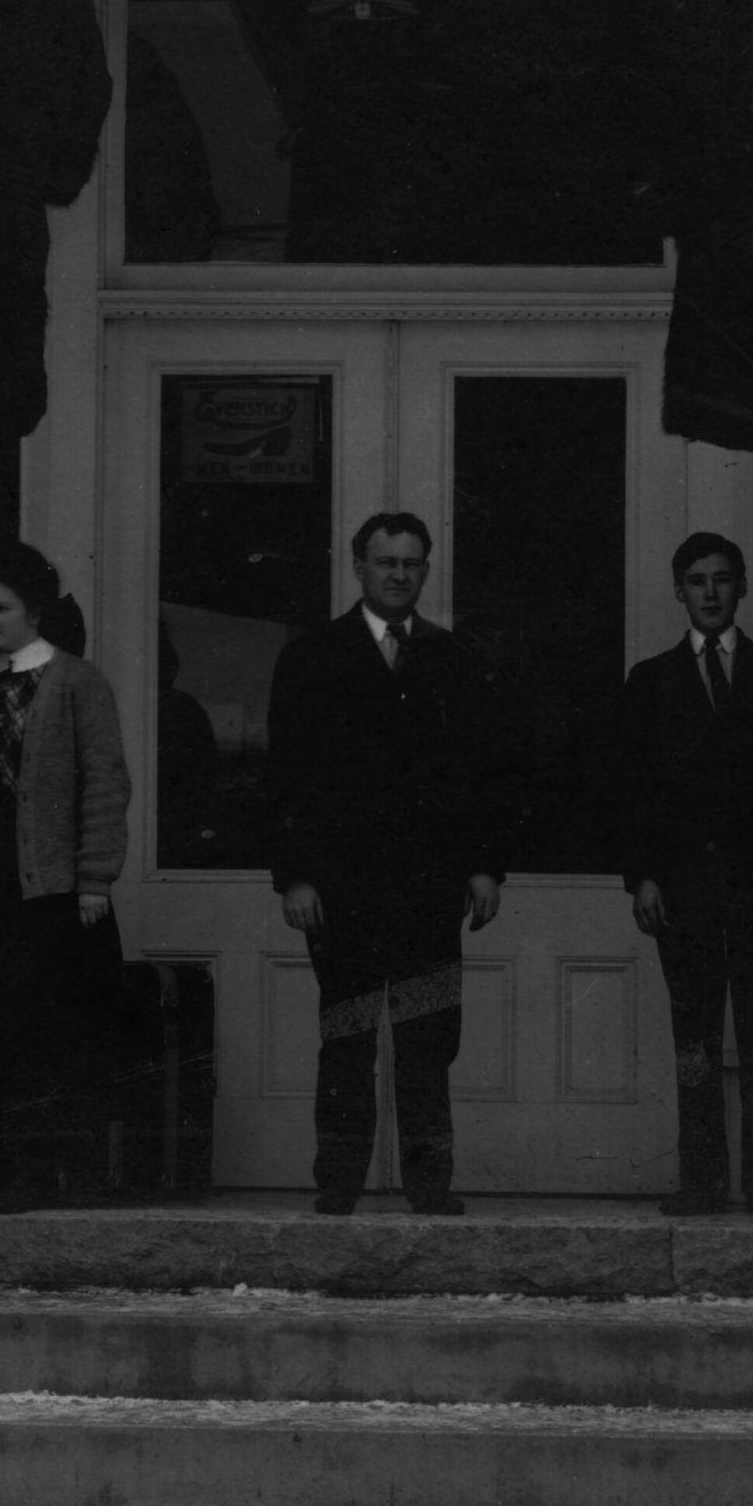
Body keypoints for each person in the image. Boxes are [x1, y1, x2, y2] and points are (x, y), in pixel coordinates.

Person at [265, 511, 506, 1218]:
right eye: (384, 561)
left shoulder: (451, 658)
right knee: (346, 1037)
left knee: (428, 1039)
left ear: (426, 569)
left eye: (411, 562)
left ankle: (430, 1183)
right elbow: (285, 776)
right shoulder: (313, 657)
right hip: (340, 891)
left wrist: (484, 865)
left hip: (428, 889)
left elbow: (482, 775)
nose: (398, 573)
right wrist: (296, 875)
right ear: (359, 566)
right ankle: (339, 1180)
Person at [610, 531, 753, 1214]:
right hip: (685, 890)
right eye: (697, 580)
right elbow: (631, 789)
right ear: (679, 590)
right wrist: (641, 875)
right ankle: (700, 1179)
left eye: (722, 578)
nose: (710, 591)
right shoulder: (650, 680)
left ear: (742, 586)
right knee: (694, 1039)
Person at [0, 545, 133, 1201]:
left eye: (2, 608)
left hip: (55, 891)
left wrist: (95, 877)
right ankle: (8, 1176)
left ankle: (63, 1177)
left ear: (33, 611)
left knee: (57, 1034)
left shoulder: (77, 681)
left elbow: (103, 780)